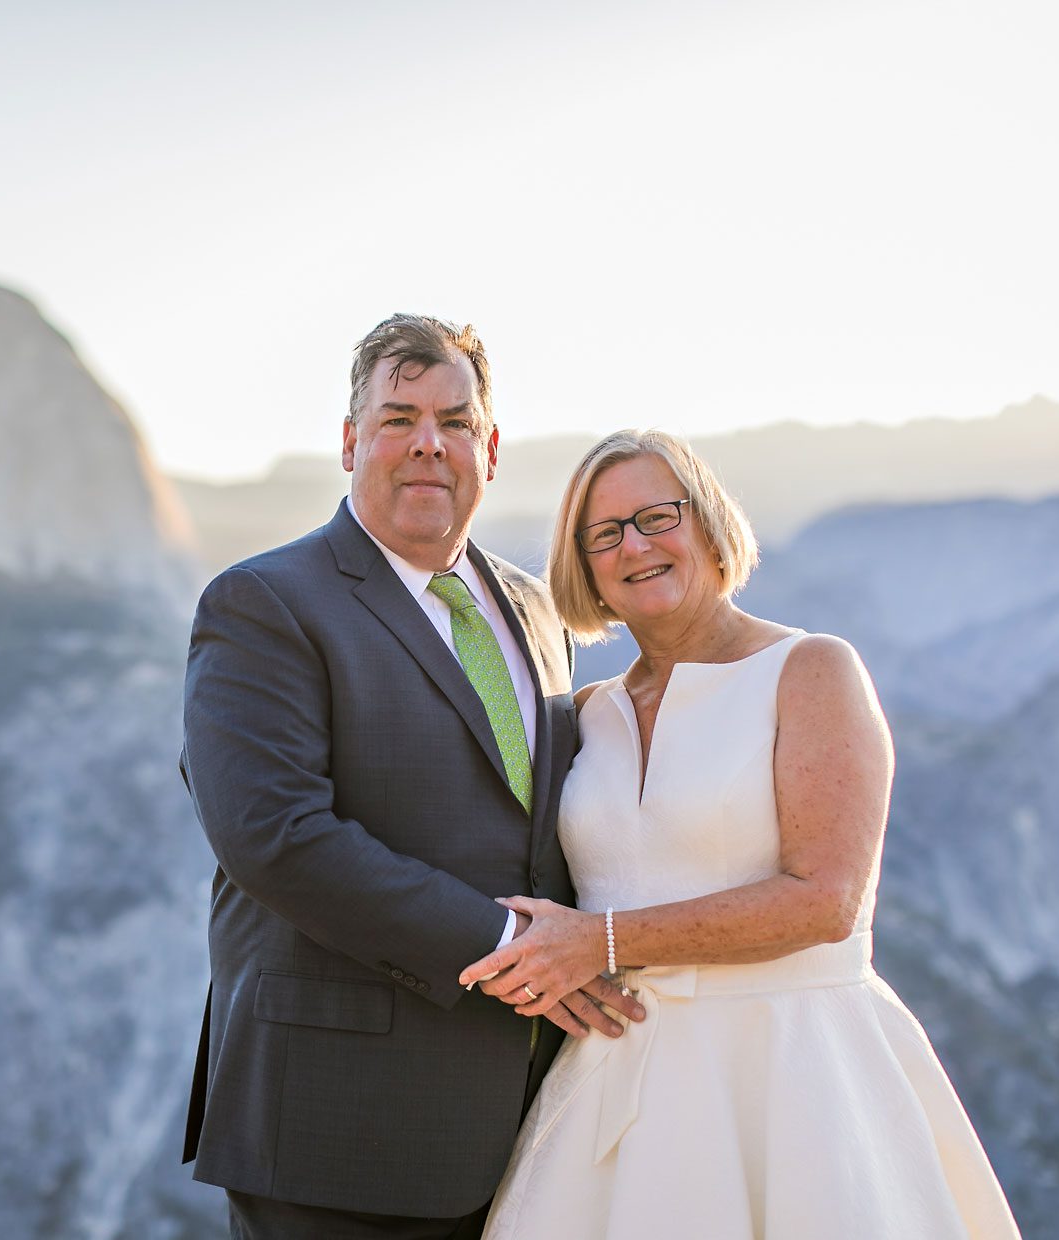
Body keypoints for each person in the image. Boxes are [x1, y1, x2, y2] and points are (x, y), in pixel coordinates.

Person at [462, 429, 1022, 1238]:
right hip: (615, 1082)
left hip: (791, 1077)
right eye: (605, 533)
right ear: (585, 569)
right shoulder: (590, 714)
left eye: (658, 516)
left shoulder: (811, 671)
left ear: (710, 525)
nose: (636, 546)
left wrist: (601, 944)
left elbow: (827, 900)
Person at [179, 316, 643, 1239]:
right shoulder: (264, 603)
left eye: (456, 421)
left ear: (492, 447)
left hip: (536, 1125)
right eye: (398, 417)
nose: (430, 442)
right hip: (339, 1129)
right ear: (350, 441)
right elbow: (277, 839)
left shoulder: (535, 611)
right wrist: (515, 944)